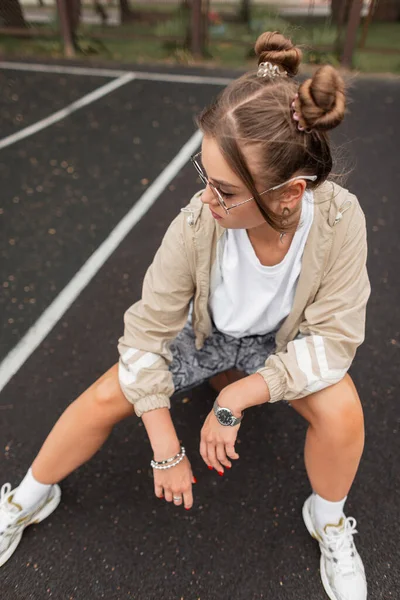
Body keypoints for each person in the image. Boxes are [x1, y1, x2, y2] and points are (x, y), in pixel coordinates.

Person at [0, 31, 370, 600]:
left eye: (224, 190)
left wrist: (239, 396)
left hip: (280, 344)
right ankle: (28, 495)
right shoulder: (197, 223)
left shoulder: (341, 222)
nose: (206, 199)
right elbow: (146, 335)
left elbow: (334, 339)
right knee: (104, 396)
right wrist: (166, 446)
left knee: (343, 412)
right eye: (205, 177)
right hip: (211, 336)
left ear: (290, 193)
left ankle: (329, 519)